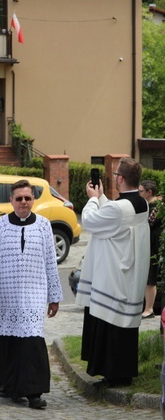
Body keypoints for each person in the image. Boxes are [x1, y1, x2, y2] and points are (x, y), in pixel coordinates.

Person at [0, 179, 63, 409]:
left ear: (33, 199)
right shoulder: (0, 226)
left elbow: (51, 263)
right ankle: (9, 385)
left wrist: (54, 296)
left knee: (32, 342)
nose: (23, 202)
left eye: (27, 198)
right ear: (11, 201)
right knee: (4, 343)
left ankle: (33, 392)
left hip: (34, 294)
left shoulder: (45, 225)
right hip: (5, 295)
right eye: (19, 198)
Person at [77, 158, 150, 387]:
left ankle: (113, 375)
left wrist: (92, 200)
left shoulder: (117, 210)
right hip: (130, 275)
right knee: (123, 328)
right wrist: (101, 198)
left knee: (110, 324)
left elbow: (90, 221)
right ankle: (122, 373)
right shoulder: (142, 203)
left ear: (119, 178)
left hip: (113, 278)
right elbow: (113, 211)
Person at [139, 180, 161, 319]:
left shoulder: (156, 208)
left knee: (150, 280)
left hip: (153, 248)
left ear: (149, 192)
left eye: (141, 191)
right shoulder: (147, 206)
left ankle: (149, 309)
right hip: (146, 247)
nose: (138, 194)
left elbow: (147, 226)